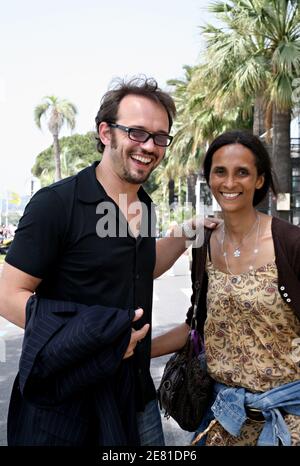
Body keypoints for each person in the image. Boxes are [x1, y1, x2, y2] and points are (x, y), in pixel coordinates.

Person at [0, 76, 216, 446]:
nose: (149, 146)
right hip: (66, 400)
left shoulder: (143, 205)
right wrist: (98, 337)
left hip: (136, 396)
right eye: (137, 132)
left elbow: (140, 268)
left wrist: (185, 234)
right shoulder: (57, 204)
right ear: (105, 132)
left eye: (160, 137)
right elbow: (7, 294)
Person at [152, 130, 300, 446]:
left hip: (288, 424)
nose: (229, 183)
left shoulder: (291, 243)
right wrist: (135, 351)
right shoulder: (203, 244)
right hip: (222, 421)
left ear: (259, 179)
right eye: (220, 171)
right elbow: (200, 326)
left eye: (242, 172)